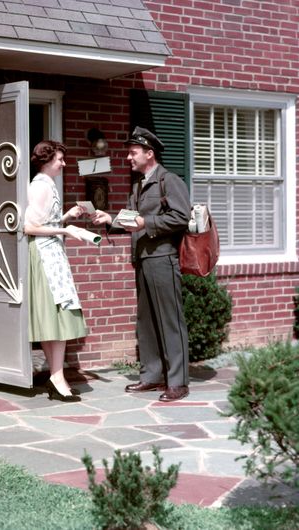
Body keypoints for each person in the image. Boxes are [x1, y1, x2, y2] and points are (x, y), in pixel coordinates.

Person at [91, 126, 191, 402]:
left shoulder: (169, 181)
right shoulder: (138, 184)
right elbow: (131, 219)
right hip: (143, 259)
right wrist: (109, 219)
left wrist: (148, 222)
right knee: (146, 321)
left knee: (170, 320)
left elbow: (181, 218)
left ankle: (178, 382)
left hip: (163, 258)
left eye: (133, 152)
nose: (128, 157)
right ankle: (151, 376)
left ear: (149, 153)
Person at [24, 140, 87, 402]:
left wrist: (66, 216)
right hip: (45, 255)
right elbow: (29, 227)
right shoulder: (40, 186)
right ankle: (58, 377)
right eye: (60, 159)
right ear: (47, 161)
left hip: (51, 253)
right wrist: (65, 229)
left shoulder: (47, 185)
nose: (63, 163)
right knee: (58, 316)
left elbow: (45, 221)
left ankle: (55, 375)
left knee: (56, 316)